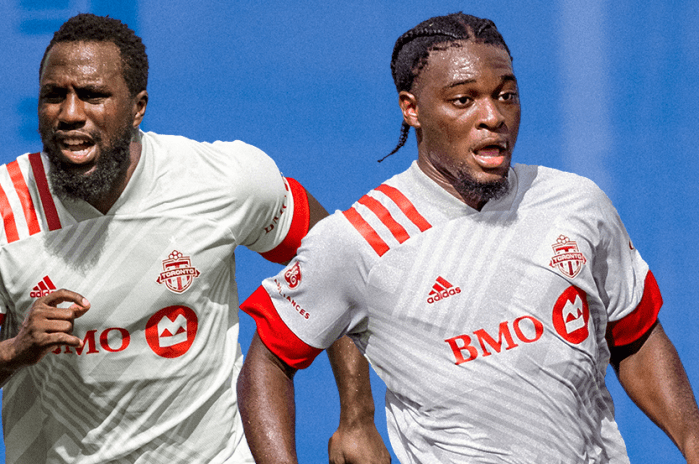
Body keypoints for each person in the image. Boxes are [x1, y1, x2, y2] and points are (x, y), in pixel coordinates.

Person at [0, 13, 389, 464]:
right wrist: (12, 352)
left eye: (93, 95)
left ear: (138, 107)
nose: (70, 113)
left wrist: (357, 416)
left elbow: (336, 262)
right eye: (53, 95)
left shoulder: (220, 181)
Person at [237, 12, 699, 464]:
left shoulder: (576, 203)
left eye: (506, 95)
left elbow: (635, 337)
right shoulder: (360, 240)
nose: (493, 116)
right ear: (411, 108)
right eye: (463, 100)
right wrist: (352, 420)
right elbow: (269, 360)